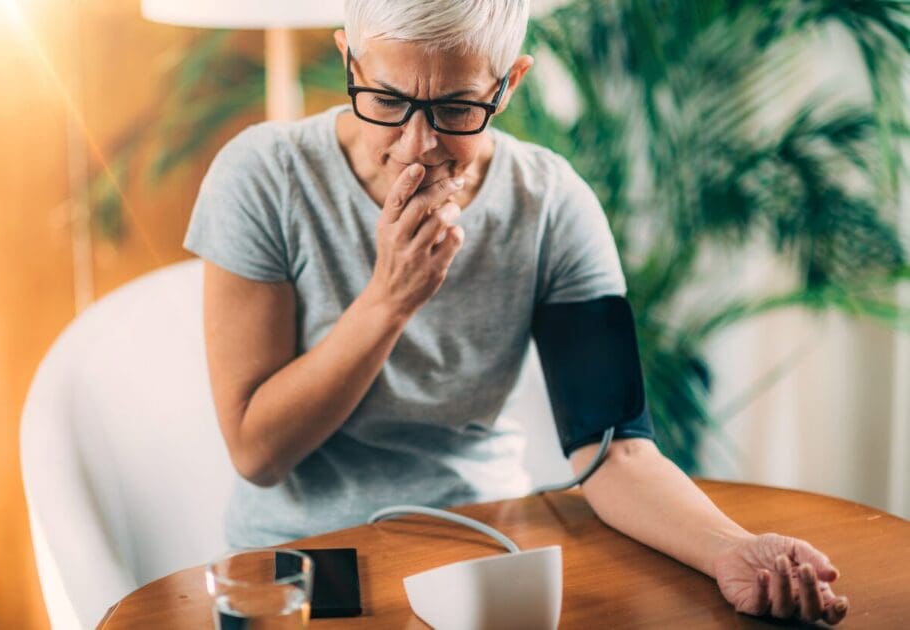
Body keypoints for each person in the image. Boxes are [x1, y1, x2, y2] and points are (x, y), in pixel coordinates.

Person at [183, 0, 849, 624]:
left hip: (476, 534)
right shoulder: (264, 176)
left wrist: (728, 549)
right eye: (385, 99)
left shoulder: (550, 202)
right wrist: (389, 300)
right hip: (301, 558)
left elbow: (613, 449)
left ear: (507, 85)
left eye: (455, 108)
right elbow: (256, 451)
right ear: (349, 62)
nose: (417, 144)